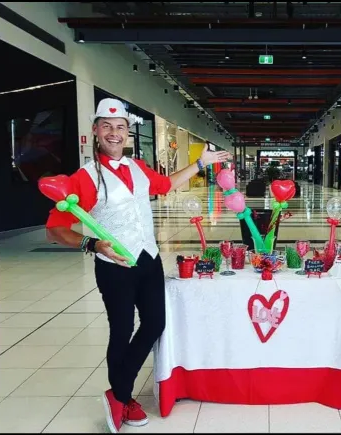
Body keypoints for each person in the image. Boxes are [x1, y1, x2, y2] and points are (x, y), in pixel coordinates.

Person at [46, 98, 231, 433]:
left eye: (120, 127)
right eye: (107, 126)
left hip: (149, 259)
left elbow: (166, 185)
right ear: (95, 130)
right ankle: (122, 397)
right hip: (114, 266)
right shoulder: (84, 178)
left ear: (127, 132)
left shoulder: (138, 167)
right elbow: (55, 229)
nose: (114, 133)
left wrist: (199, 163)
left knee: (155, 323)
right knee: (121, 330)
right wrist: (91, 243)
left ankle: (118, 391)